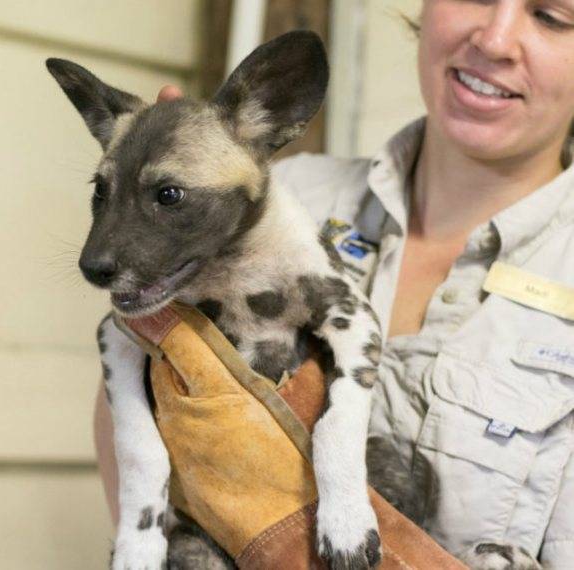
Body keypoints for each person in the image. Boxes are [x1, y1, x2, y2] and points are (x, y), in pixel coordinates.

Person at [94, 1, 574, 567]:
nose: (495, 39)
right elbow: (136, 381)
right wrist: (164, 205)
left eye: (552, 16)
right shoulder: (276, 198)